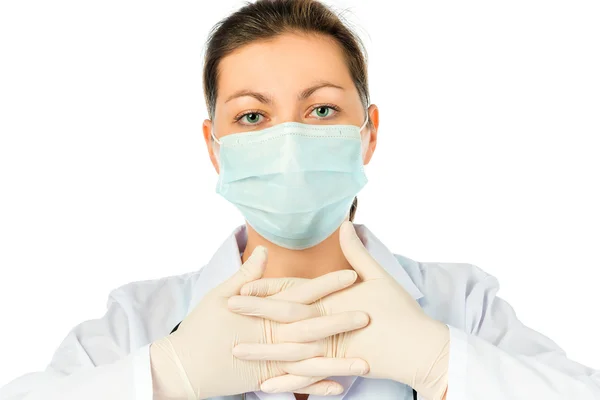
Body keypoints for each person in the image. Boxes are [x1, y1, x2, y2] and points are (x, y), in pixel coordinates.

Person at [1, 0, 599, 399]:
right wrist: (164, 376)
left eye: (320, 110)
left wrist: (444, 364)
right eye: (253, 115)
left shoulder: (463, 308)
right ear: (214, 146)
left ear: (369, 132)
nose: (287, 142)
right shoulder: (137, 324)